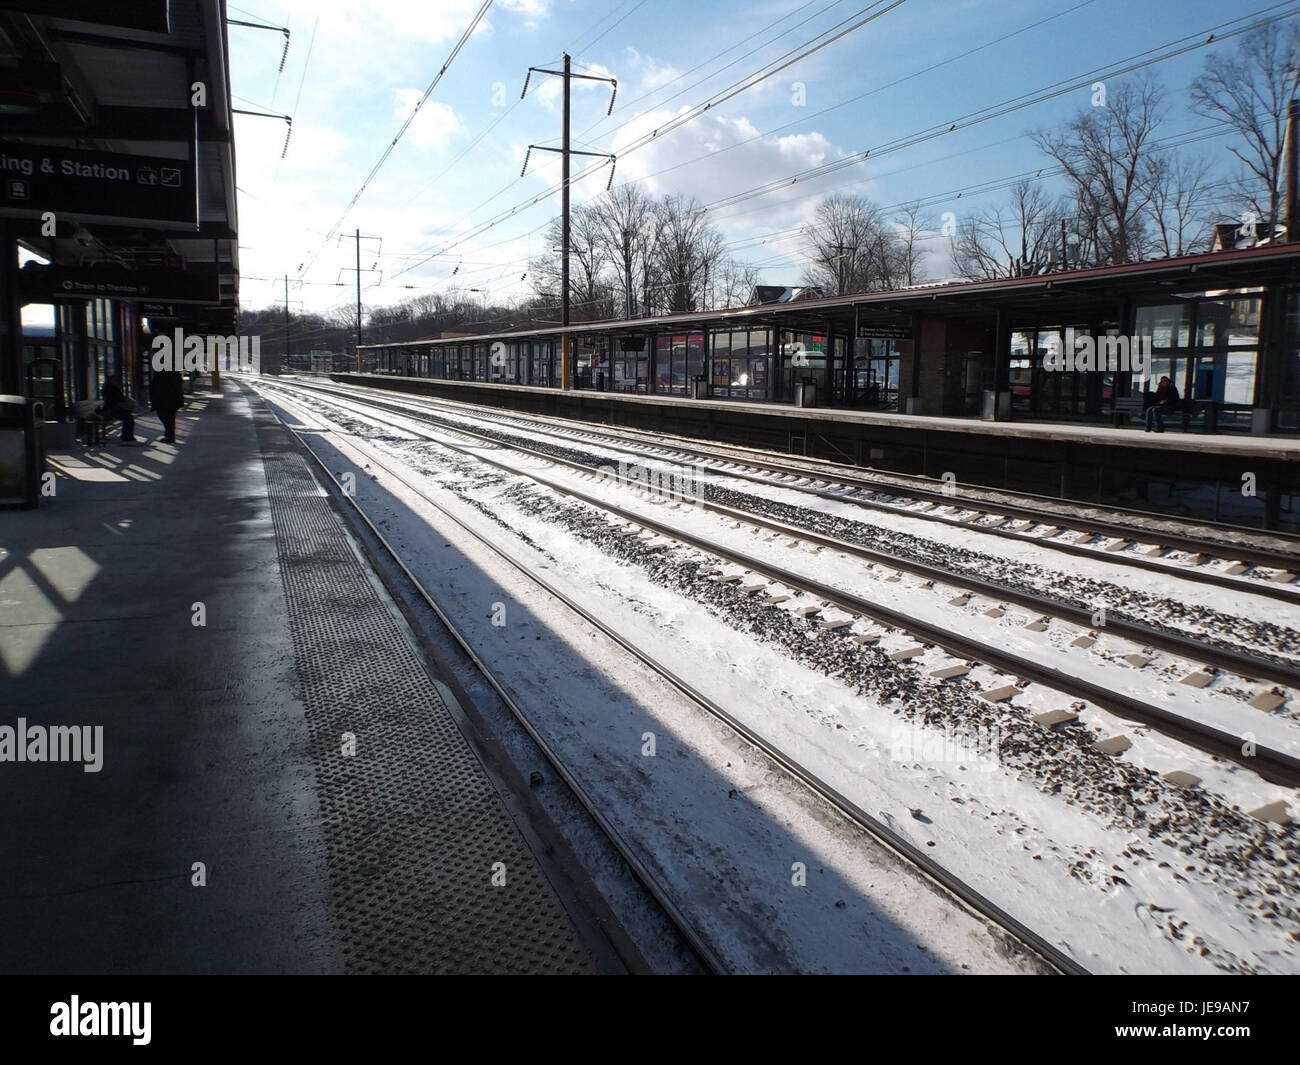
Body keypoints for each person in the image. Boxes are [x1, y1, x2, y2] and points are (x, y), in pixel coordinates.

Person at [101, 372, 138, 443]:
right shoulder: (108, 390)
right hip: (110, 410)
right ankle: (127, 436)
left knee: (129, 417)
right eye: (114, 381)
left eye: (116, 381)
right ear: (110, 381)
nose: (116, 382)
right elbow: (112, 402)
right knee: (128, 417)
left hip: (115, 409)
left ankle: (127, 436)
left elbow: (120, 398)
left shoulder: (114, 388)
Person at [151, 368, 185, 444]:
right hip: (172, 399)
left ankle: (169, 437)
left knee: (165, 417)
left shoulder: (160, 373)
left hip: (164, 399)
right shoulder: (175, 372)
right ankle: (170, 436)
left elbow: (155, 385)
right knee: (170, 418)